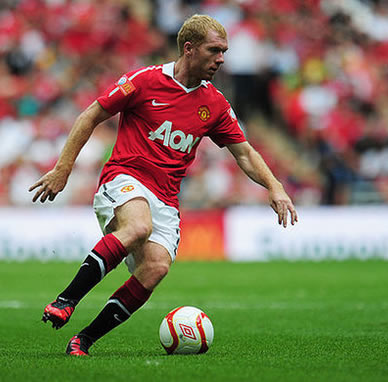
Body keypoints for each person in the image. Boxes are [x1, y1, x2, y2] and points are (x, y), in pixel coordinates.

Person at [29, 14, 298, 357]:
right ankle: (66, 300)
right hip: (125, 177)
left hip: (166, 198)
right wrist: (62, 169)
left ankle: (84, 339)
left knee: (156, 267)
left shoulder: (214, 104)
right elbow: (91, 115)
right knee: (138, 226)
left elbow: (243, 152)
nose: (221, 59)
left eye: (224, 51)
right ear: (189, 49)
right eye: (215, 50)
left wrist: (274, 187)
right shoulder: (144, 81)